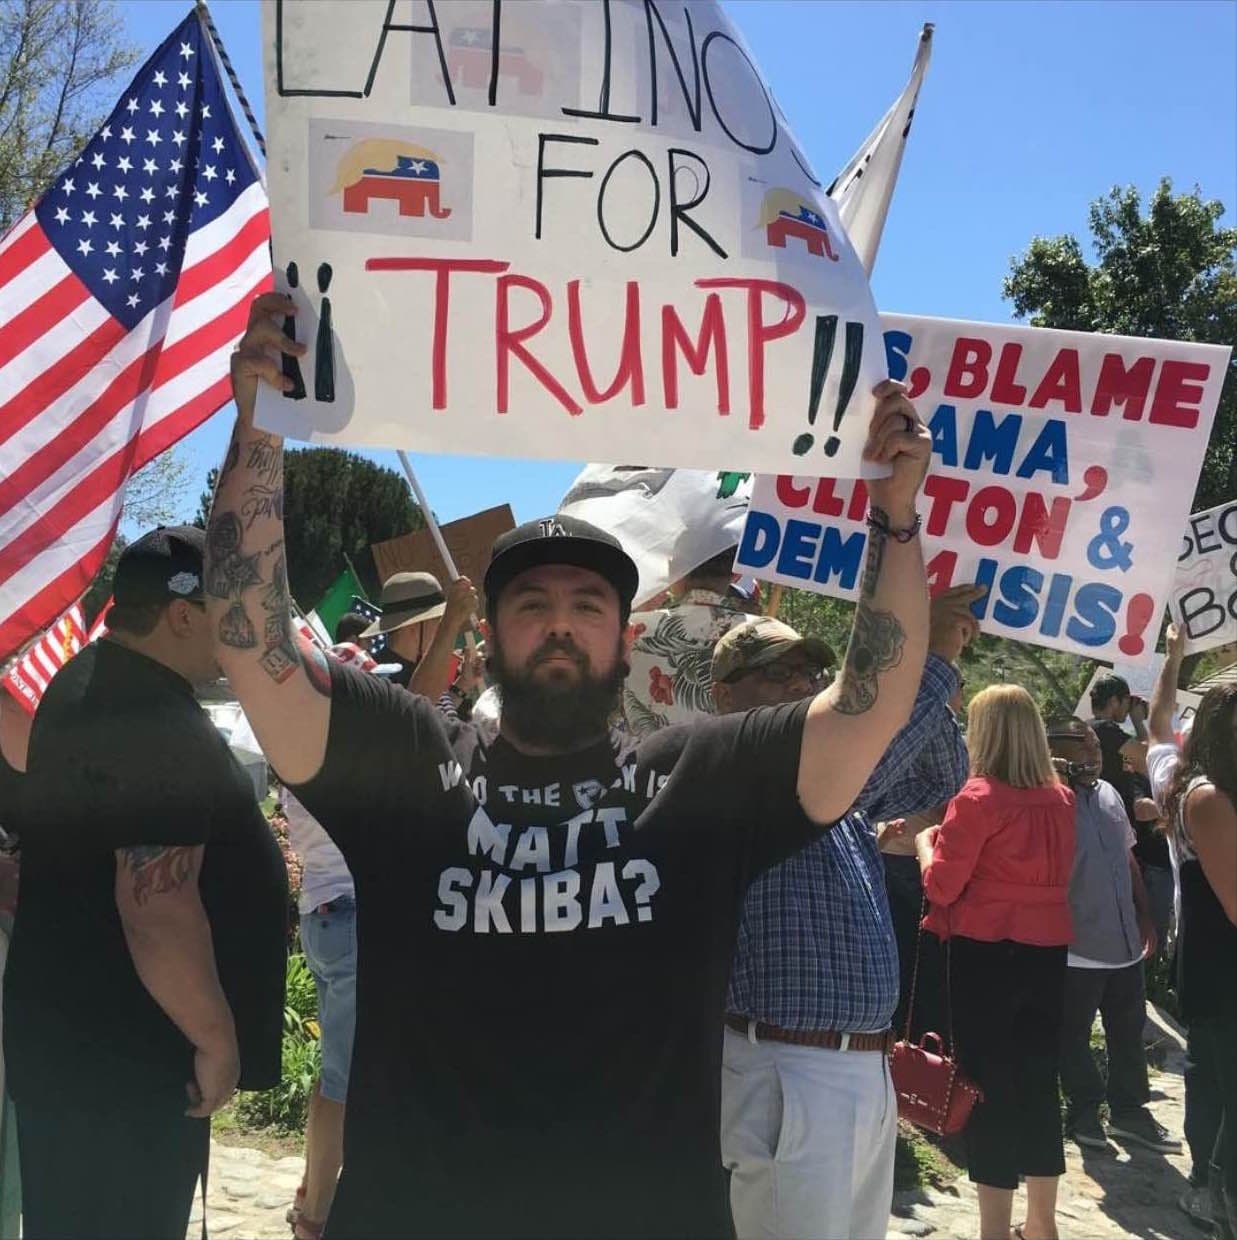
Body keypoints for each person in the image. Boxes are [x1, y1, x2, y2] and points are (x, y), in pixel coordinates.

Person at [204, 291, 934, 1239]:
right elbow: (251, 637)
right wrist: (257, 429)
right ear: (491, 640)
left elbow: (868, 704)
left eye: (587, 604)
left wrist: (896, 517)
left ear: (623, 643)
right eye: (529, 603)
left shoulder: (696, 779)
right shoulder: (410, 763)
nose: (558, 620)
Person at [3, 526, 288, 1239]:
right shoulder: (150, 714)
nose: (240, 633)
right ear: (182, 614)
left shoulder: (90, 682)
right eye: (230, 615)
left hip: (79, 1043)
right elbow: (154, 907)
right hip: (129, 1059)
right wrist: (217, 1037)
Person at [714, 596, 974, 1240]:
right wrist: (928, 658)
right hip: (787, 1070)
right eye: (778, 672)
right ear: (723, 696)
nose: (802, 684)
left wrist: (923, 685)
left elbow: (944, 775)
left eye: (809, 671)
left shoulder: (835, 787)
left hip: (858, 1068)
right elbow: (871, 764)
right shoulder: (739, 771)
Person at [916, 685, 1075, 1240]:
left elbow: (942, 886)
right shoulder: (1061, 800)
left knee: (985, 1086)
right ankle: (1041, 1223)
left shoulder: (977, 799)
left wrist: (923, 843)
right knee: (1037, 1081)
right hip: (1047, 952)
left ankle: (992, 1230)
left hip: (985, 952)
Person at [1046, 717, 1179, 1153]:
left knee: (1127, 1032)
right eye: (1081, 744)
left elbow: (1128, 858)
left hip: (1123, 944)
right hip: (1075, 946)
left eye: (1095, 744)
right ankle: (1085, 1114)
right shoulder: (1048, 800)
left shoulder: (1109, 795)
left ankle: (1129, 1114)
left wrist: (1144, 915)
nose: (1094, 751)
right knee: (1072, 1037)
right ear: (1056, 749)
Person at [1148, 626, 1237, 1240]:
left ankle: (1209, 1190)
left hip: (1209, 964)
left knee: (1213, 1078)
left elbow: (1155, 725)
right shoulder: (1205, 798)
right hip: (1223, 965)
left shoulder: (1182, 777)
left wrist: (1175, 658)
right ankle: (1219, 1193)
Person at [623, 542, 751, 737]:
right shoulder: (766, 636)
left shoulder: (630, 631)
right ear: (737, 573)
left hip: (638, 765)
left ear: (673, 568)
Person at [360, 570, 478, 694]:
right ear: (413, 628)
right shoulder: (381, 681)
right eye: (438, 621)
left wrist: (463, 685)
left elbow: (435, 709)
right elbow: (419, 705)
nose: (441, 629)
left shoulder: (412, 668)